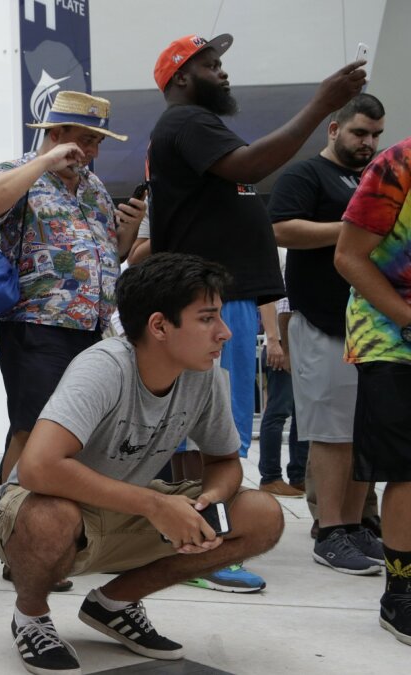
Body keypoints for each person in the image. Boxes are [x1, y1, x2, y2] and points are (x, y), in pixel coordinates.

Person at [0, 253, 284, 674]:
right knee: (50, 516)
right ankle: (31, 616)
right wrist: (155, 505)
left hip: (125, 512)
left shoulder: (203, 375)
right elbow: (38, 468)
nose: (225, 333)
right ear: (159, 325)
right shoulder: (104, 367)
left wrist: (207, 506)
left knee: (261, 514)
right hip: (38, 510)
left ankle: (114, 603)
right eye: (206, 318)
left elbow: (223, 461)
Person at [147, 33, 365, 595]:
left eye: (221, 64)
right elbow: (254, 162)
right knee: (209, 433)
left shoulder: (200, 125)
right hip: (206, 296)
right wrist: (322, 103)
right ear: (179, 79)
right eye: (209, 65)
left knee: (213, 427)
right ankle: (199, 549)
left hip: (221, 297)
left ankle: (195, 539)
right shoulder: (187, 123)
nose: (222, 73)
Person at [0, 91, 144, 495]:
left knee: (62, 427)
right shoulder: (20, 170)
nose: (91, 149)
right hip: (38, 321)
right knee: (38, 426)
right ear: (56, 133)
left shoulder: (94, 187)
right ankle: (18, 516)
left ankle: (13, 504)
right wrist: (45, 161)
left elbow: (107, 253)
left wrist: (130, 232)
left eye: (97, 141)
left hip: (94, 326)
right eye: (86, 138)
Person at [270, 93, 387, 571]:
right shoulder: (305, 174)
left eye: (376, 135)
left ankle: (356, 526)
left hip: (371, 324)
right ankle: (331, 530)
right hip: (323, 320)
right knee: (332, 434)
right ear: (334, 129)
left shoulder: (372, 178)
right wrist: (350, 229)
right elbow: (280, 229)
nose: (368, 142)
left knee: (365, 433)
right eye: (361, 132)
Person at [334, 136, 411, 646]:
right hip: (392, 339)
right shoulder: (398, 162)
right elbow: (349, 256)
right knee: (408, 469)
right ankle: (400, 594)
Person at [256, 297, 308, 497]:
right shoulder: (287, 271)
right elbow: (284, 308)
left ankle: (298, 475)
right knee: (278, 412)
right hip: (282, 347)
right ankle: (270, 477)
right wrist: (280, 346)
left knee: (300, 415)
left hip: (291, 346)